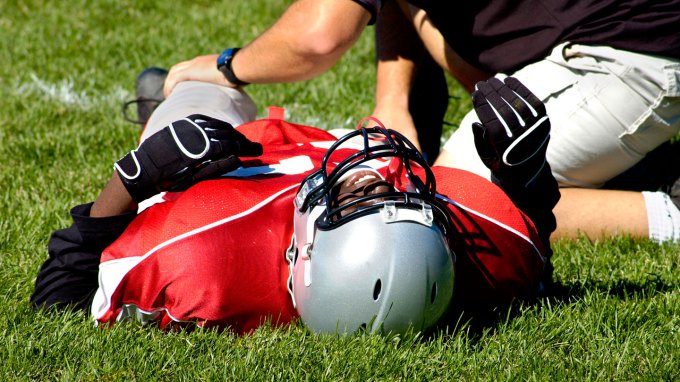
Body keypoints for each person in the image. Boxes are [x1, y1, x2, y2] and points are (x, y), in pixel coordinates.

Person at [31, 76, 559, 334]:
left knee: (202, 95)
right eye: (394, 196)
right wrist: (528, 173)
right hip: (330, 145)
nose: (381, 181)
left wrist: (136, 174)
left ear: (304, 258)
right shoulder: (451, 250)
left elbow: (59, 299)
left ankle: (172, 89)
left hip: (235, 157)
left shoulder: (199, 257)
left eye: (358, 199)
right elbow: (529, 251)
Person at [161, 0, 680, 244]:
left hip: (627, 53)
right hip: (607, 44)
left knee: (455, 202)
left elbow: (316, 37)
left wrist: (227, 65)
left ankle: (670, 211)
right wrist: (394, 102)